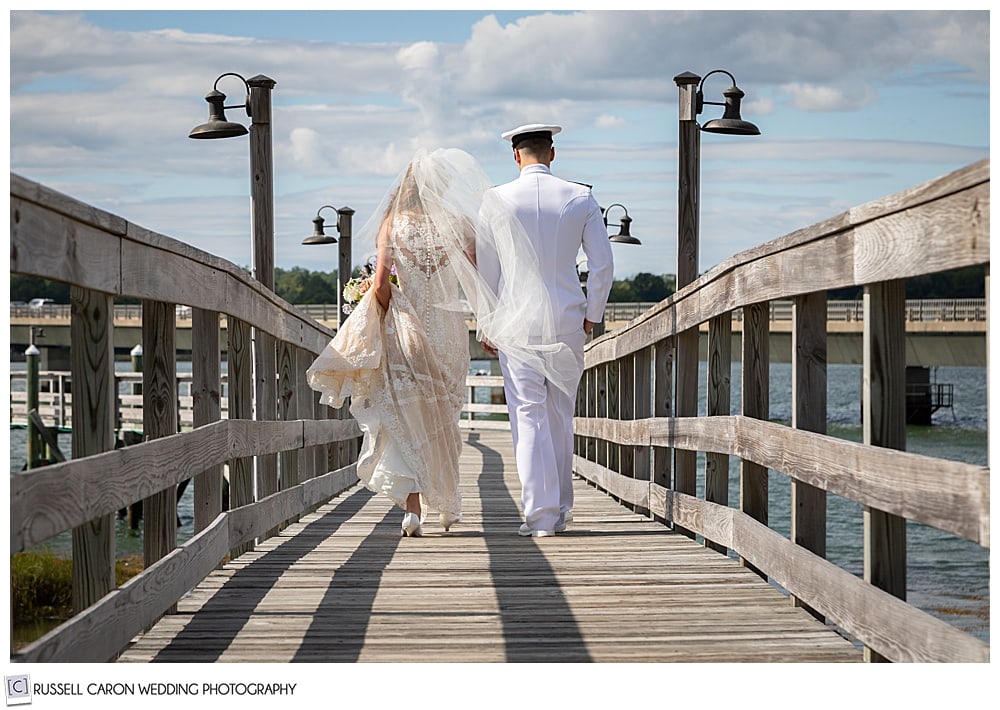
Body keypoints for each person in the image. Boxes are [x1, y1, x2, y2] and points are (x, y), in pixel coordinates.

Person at [307, 148, 486, 537]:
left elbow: (381, 281)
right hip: (448, 331)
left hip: (407, 328)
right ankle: (448, 503)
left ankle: (414, 509)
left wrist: (382, 311)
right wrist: (488, 323)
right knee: (443, 418)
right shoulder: (460, 224)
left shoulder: (393, 224)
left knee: (407, 416)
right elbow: (478, 281)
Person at [477, 123, 614, 537]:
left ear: (516, 156)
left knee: (527, 413)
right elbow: (602, 264)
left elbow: (487, 270)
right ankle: (562, 509)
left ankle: (539, 516)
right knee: (560, 413)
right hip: (567, 317)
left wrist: (488, 322)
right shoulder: (581, 197)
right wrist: (593, 312)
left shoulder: (495, 200)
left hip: (517, 320)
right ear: (551, 153)